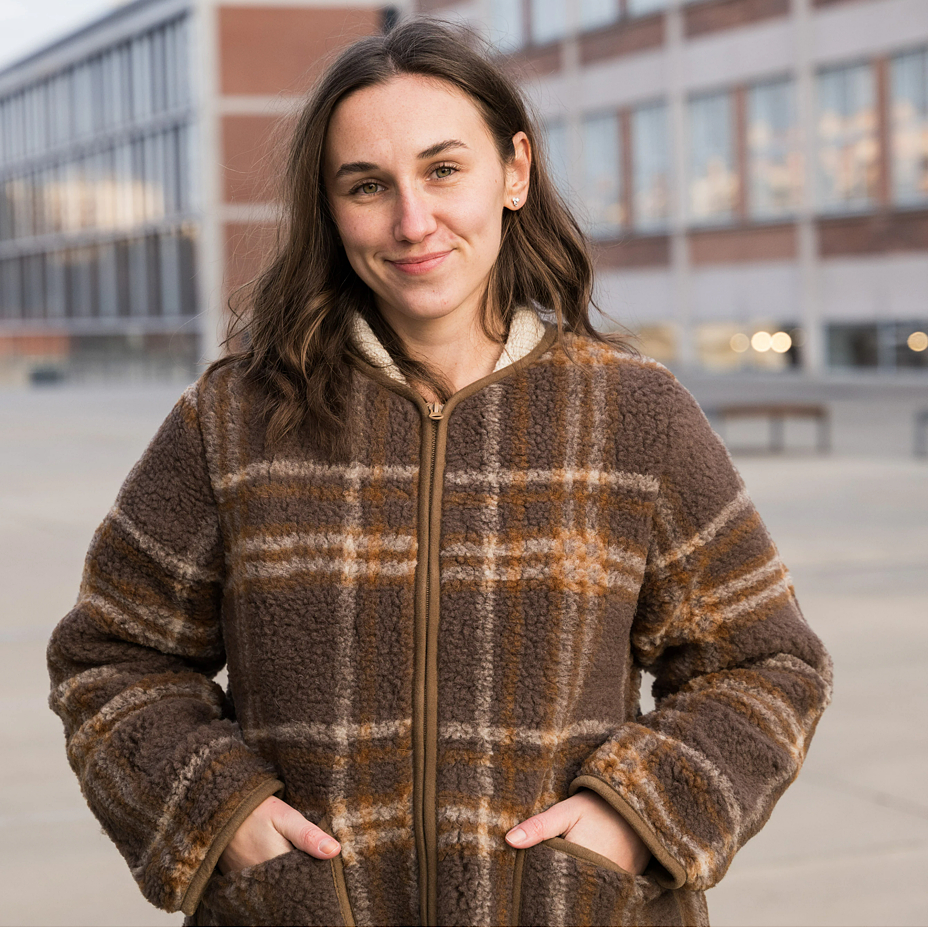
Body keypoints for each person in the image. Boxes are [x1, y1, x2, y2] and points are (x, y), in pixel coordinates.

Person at [47, 17, 832, 928]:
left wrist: (631, 819)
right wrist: (225, 818)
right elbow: (110, 658)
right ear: (331, 208)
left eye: (443, 170)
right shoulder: (233, 421)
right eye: (368, 186)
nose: (412, 221)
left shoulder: (633, 416)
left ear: (515, 172)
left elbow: (768, 663)